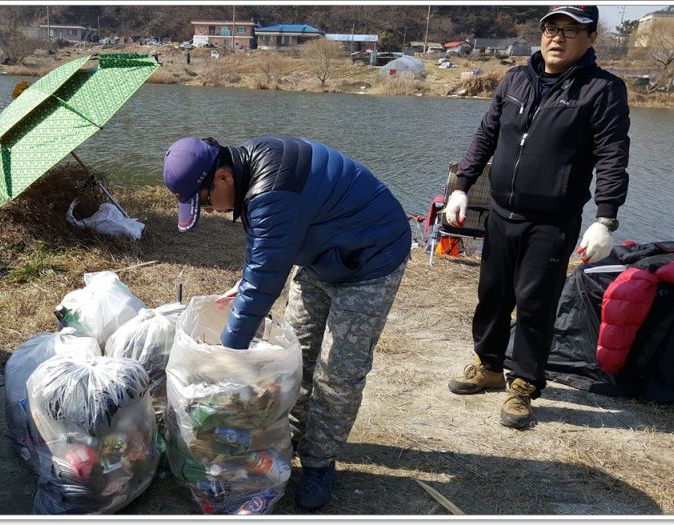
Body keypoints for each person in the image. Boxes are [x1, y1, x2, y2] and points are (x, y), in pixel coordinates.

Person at [162, 135, 411, 510]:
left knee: (337, 372)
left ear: (224, 178)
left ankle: (318, 462)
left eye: (206, 201)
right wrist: (246, 282)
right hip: (322, 253)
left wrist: (225, 363)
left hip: (371, 257)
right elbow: (266, 248)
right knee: (299, 355)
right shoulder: (252, 171)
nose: (210, 210)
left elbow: (266, 275)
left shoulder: (269, 190)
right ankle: (291, 436)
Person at [445, 5, 630, 429]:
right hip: (501, 211)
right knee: (492, 294)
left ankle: (524, 384)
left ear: (591, 38)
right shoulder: (515, 79)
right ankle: (488, 364)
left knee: (534, 304)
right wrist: (459, 187)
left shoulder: (602, 90)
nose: (557, 38)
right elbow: (486, 135)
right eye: (551, 28)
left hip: (552, 220)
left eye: (570, 30)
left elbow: (612, 157)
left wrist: (606, 218)